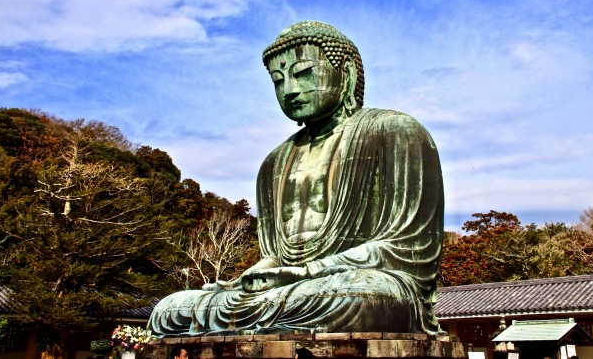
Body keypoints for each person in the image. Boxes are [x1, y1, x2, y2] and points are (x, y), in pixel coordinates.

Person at [148, 20, 445, 335]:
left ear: (347, 74)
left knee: (363, 297)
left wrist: (308, 271)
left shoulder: (395, 132)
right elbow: (274, 256)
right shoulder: (273, 163)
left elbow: (409, 248)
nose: (290, 90)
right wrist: (249, 279)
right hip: (293, 291)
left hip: (359, 283)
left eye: (303, 73)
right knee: (171, 309)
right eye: (278, 80)